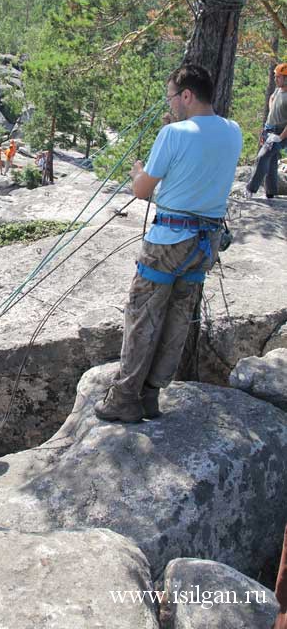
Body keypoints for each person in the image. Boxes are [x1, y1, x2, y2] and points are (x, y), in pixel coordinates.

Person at [94, 64, 242, 423]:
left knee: (143, 314)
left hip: (168, 241)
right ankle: (151, 396)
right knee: (178, 318)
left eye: (172, 96)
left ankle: (124, 397)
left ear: (187, 95)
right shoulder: (233, 131)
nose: (171, 102)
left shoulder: (174, 135)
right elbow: (199, 168)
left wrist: (136, 173)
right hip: (205, 245)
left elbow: (143, 191)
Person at [246, 63, 287, 200]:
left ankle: (250, 189)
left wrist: (280, 138)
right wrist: (272, 110)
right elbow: (271, 98)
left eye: (279, 77)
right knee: (271, 160)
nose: (276, 79)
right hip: (270, 129)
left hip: (280, 132)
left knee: (263, 157)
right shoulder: (278, 90)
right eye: (275, 76)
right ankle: (271, 193)